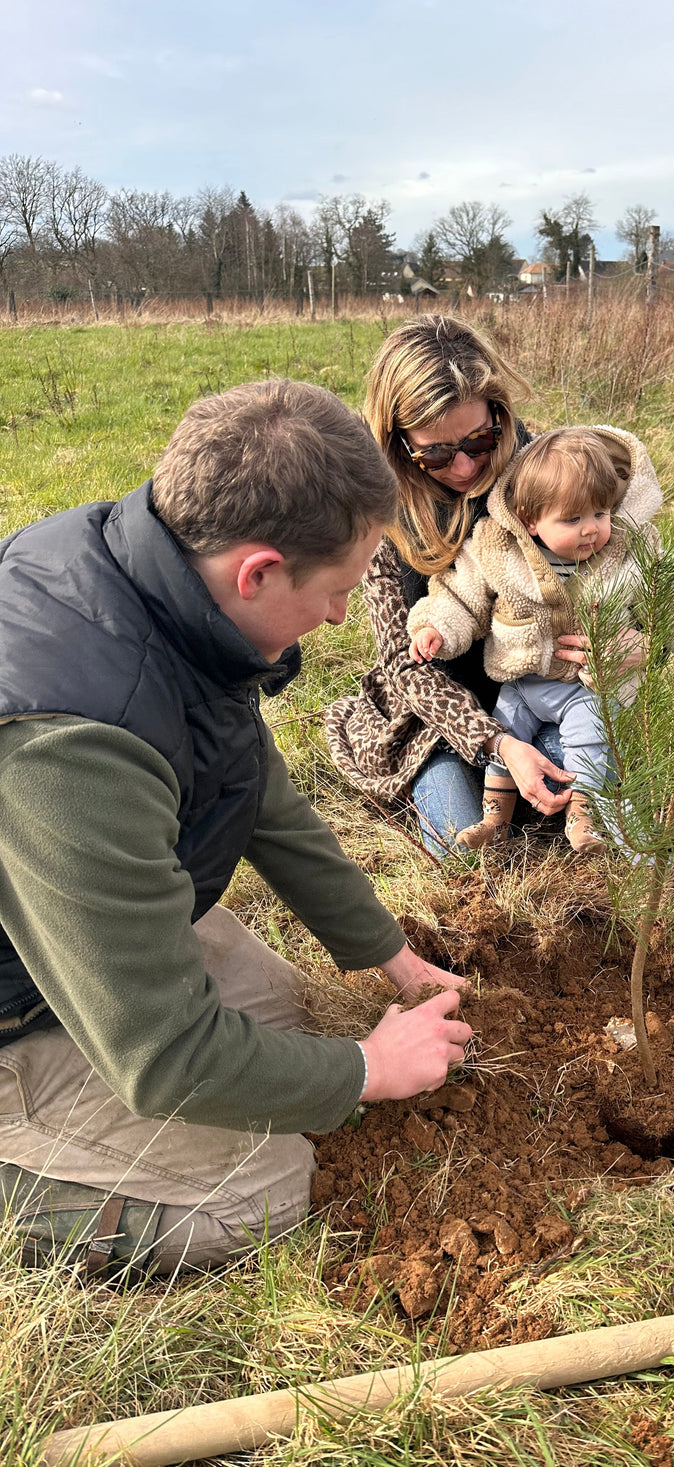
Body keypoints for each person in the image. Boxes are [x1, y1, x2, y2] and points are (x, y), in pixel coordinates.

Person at [0, 379, 472, 1277]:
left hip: (45, 920)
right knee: (261, 1187)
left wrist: (384, 951)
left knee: (283, 1018)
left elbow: (253, 783)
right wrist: (365, 1071)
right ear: (257, 571)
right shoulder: (69, 743)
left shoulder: (155, 577)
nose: (340, 616)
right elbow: (165, 1053)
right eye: (335, 590)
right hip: (8, 1003)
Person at [325, 315, 646, 856]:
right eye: (437, 453)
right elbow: (404, 666)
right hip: (440, 718)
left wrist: (637, 641)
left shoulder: (546, 466)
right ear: (399, 443)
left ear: (499, 411)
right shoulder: (381, 514)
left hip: (547, 693)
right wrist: (496, 742)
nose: (467, 463)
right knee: (461, 843)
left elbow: (631, 559)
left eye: (480, 438)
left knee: (572, 750)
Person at [407, 427, 674, 853]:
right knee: (505, 728)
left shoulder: (627, 550)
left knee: (590, 738)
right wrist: (435, 627)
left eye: (599, 514)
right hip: (522, 683)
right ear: (529, 520)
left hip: (586, 685)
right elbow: (461, 594)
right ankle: (496, 819)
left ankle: (585, 818)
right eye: (572, 520)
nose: (590, 531)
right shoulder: (498, 549)